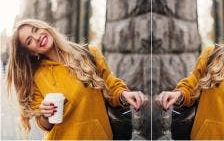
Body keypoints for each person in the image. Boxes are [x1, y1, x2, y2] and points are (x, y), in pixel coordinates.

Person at [6, 19, 148, 140]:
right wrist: (45, 114)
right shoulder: (36, 77)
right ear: (31, 52)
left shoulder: (89, 53)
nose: (36, 37)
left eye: (36, 29)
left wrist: (124, 95)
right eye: (29, 40)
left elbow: (111, 85)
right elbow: (45, 125)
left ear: (45, 27)